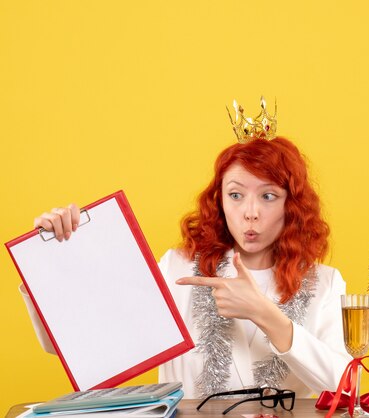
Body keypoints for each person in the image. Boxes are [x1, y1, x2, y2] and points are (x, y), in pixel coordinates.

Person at [21, 99, 352, 399]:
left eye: (268, 196)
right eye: (236, 195)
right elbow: (77, 347)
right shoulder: (178, 269)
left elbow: (345, 386)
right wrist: (51, 258)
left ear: (290, 205)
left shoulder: (323, 282)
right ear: (219, 201)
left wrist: (264, 314)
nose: (250, 212)